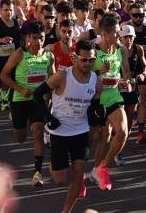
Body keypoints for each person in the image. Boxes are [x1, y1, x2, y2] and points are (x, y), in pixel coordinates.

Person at [33, 41, 102, 213]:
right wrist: (48, 117)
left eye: (91, 60)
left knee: (78, 174)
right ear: (76, 58)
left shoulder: (96, 81)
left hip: (81, 131)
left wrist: (98, 120)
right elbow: (37, 94)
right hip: (59, 132)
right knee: (60, 180)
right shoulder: (63, 76)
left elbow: (94, 108)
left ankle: (66, 211)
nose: (87, 64)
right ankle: (55, 166)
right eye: (84, 60)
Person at [0, 21, 55, 187]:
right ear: (28, 38)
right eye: (35, 38)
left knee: (38, 133)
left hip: (38, 101)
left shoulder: (48, 56)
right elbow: (4, 75)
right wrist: (20, 89)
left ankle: (37, 173)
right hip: (19, 100)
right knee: (21, 138)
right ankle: (15, 121)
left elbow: (52, 79)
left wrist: (49, 97)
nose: (39, 41)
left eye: (42, 38)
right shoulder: (19, 54)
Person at [90, 13, 132, 191]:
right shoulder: (93, 51)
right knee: (99, 138)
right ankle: (94, 168)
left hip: (114, 97)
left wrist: (127, 81)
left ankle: (103, 167)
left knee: (122, 132)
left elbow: (126, 71)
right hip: (96, 100)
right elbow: (83, 77)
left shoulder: (120, 49)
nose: (119, 36)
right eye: (115, 33)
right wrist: (99, 72)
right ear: (105, 34)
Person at [0, 0, 21, 124]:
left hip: (13, 60)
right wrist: (0, 40)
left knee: (13, 85)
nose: (8, 12)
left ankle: (13, 112)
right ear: (0, 11)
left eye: (11, 10)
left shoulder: (16, 23)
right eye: (6, 10)